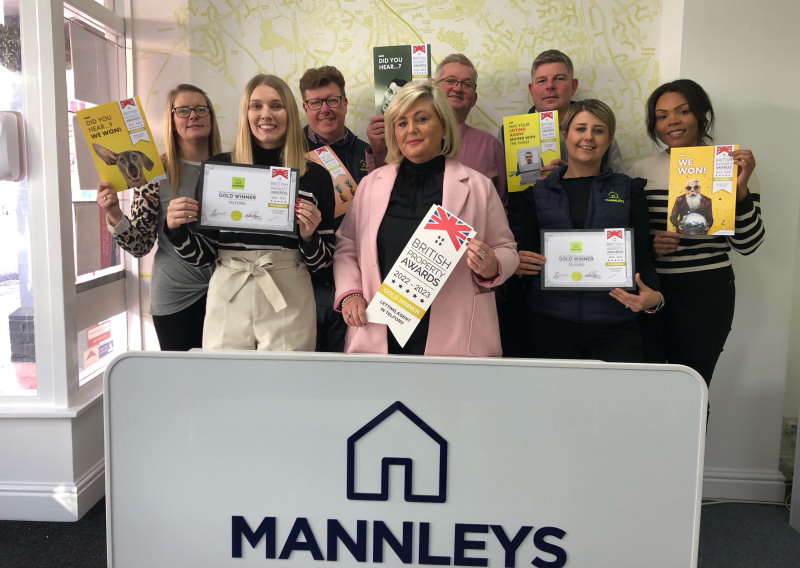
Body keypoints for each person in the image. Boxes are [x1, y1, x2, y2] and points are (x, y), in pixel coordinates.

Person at [334, 79, 518, 356]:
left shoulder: (478, 186)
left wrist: (492, 265)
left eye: (421, 119)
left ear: (443, 125)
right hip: (380, 328)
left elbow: (507, 249)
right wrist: (351, 292)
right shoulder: (372, 184)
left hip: (456, 333)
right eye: (401, 122)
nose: (411, 130)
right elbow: (347, 245)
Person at [165, 74, 335, 351]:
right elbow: (204, 255)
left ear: (289, 113)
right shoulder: (219, 170)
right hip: (229, 291)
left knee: (284, 386)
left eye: (276, 105)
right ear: (245, 113)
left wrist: (308, 238)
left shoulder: (315, 177)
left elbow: (323, 264)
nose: (266, 115)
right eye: (256, 106)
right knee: (225, 385)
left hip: (288, 295)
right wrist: (175, 229)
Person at [628, 79, 765, 385]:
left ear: (701, 114)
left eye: (683, 112)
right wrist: (652, 245)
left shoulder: (729, 167)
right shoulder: (641, 170)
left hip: (707, 292)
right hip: (653, 287)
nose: (672, 122)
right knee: (645, 383)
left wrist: (739, 192)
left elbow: (749, 243)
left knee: (692, 386)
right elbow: (630, 239)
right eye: (661, 116)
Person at [506, 99, 662, 362]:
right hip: (549, 325)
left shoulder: (628, 190)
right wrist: (517, 262)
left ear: (609, 138)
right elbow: (524, 255)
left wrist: (655, 298)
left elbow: (643, 258)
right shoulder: (538, 193)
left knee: (613, 403)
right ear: (565, 135)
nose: (588, 137)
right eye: (580, 129)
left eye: (598, 130)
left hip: (615, 327)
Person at [97, 83, 222, 350]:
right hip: (176, 299)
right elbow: (140, 245)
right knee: (183, 384)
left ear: (210, 116)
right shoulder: (154, 175)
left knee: (228, 384)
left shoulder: (234, 165)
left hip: (230, 294)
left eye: (201, 109)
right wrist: (114, 213)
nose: (193, 116)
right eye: (183, 110)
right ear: (172, 120)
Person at [298, 65, 378, 352]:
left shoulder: (368, 154)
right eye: (316, 103)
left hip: (356, 285)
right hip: (302, 282)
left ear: (344, 104)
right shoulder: (288, 154)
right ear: (305, 108)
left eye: (332, 100)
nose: (325, 110)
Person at [501, 49, 624, 176]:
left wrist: (576, 174)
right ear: (531, 90)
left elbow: (618, 186)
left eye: (559, 78)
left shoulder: (598, 129)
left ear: (573, 86)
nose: (550, 86)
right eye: (542, 81)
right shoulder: (508, 134)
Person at [434, 53, 507, 203]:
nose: (458, 88)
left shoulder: (490, 145)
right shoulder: (413, 136)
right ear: (434, 89)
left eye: (466, 84)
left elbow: (501, 203)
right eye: (450, 80)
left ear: (474, 98)